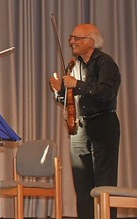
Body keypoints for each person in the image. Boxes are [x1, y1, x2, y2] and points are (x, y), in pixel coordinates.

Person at [49, 24, 120, 219]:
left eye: (77, 38)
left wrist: (77, 84)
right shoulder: (74, 65)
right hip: (79, 128)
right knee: (82, 184)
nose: (72, 41)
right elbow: (67, 99)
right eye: (71, 37)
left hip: (103, 124)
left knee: (104, 182)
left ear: (91, 41)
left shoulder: (106, 63)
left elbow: (107, 92)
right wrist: (59, 91)